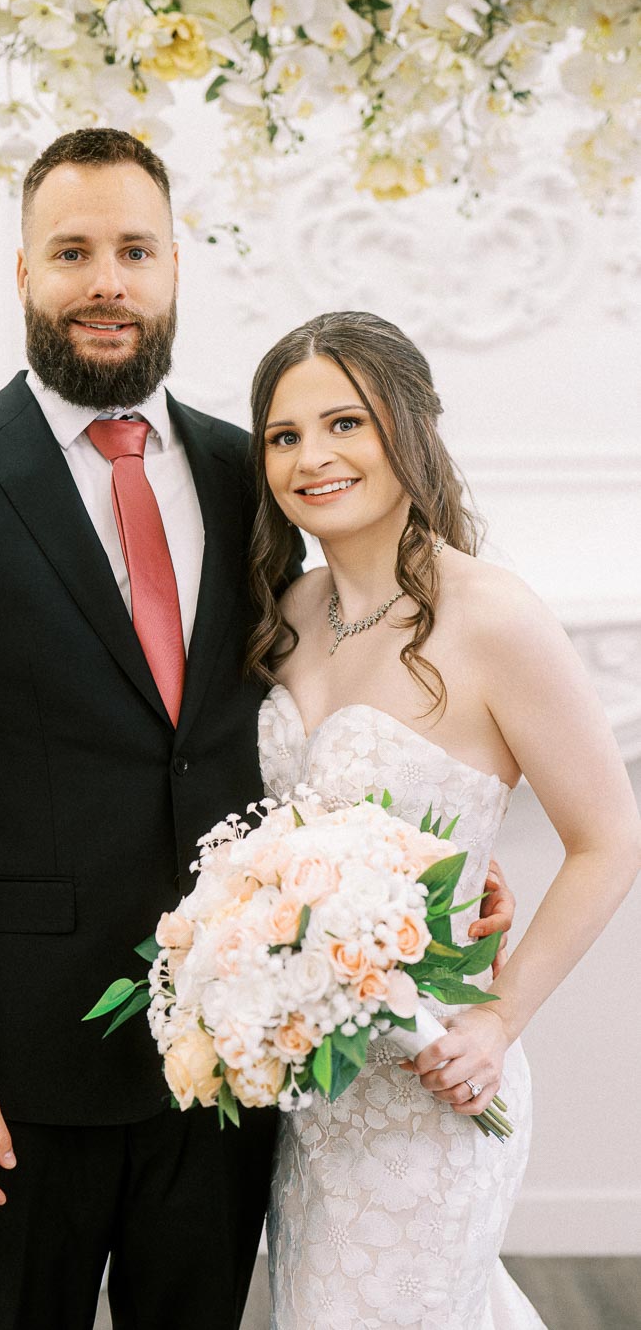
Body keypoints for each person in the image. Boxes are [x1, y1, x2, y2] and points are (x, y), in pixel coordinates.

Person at [0, 131, 513, 1330]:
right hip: (16, 1065)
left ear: (176, 267)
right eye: (74, 252)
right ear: (24, 272)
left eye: (134, 250)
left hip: (237, 1053)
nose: (108, 281)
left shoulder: (260, 473)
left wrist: (427, 873)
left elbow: (316, 701)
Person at [247, 310, 641, 1329]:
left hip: (436, 1082)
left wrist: (499, 1018)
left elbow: (611, 838)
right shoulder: (284, 617)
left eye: (345, 423)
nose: (312, 457)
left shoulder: (494, 618)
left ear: (409, 432)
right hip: (317, 1093)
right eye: (285, 436)